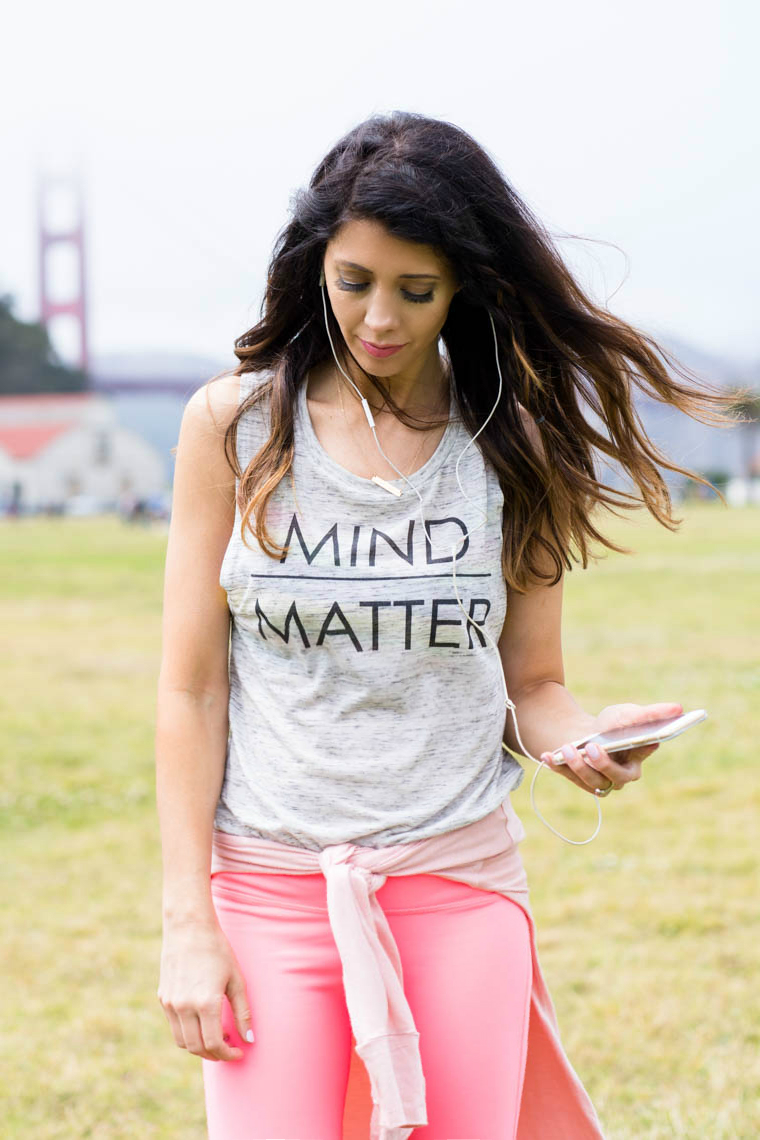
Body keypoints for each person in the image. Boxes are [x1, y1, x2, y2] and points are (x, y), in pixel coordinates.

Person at [155, 112, 739, 1140]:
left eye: (414, 291)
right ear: (314, 268)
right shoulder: (233, 427)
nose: (378, 317)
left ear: (462, 283)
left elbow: (531, 685)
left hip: (456, 886)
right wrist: (185, 920)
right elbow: (191, 689)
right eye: (353, 282)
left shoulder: (514, 441)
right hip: (269, 890)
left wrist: (585, 740)